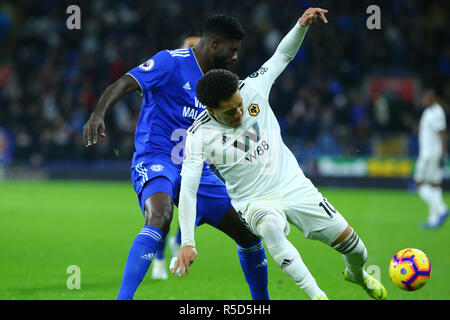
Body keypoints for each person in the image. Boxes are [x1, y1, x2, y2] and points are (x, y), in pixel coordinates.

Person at [172, 8, 387, 300]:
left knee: (355, 248)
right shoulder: (199, 136)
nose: (239, 112)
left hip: (294, 185)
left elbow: (281, 57)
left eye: (239, 105)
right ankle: (318, 296)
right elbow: (188, 190)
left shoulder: (253, 88)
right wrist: (188, 241)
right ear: (211, 110)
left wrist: (301, 25)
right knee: (271, 227)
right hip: (252, 202)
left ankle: (357, 274)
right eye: (230, 111)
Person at [83, 14, 270, 300]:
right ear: (214, 44)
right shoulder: (170, 62)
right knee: (160, 217)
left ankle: (262, 302)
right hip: (157, 158)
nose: (234, 57)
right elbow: (125, 82)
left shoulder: (218, 83)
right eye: (231, 50)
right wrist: (98, 113)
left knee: (249, 235)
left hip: (197, 167)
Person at [150, 31, 202, 281]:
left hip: (194, 158)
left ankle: (181, 241)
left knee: (193, 208)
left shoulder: (205, 84)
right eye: (189, 47)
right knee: (162, 214)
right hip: (164, 158)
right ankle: (159, 260)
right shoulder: (170, 75)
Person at [414, 88, 449, 229]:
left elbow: (442, 132)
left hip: (429, 155)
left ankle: (441, 209)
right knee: (434, 185)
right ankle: (433, 220)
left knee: (419, 184)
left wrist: (442, 152)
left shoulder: (435, 112)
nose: (424, 101)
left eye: (426, 98)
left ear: (431, 99)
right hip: (431, 153)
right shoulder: (431, 111)